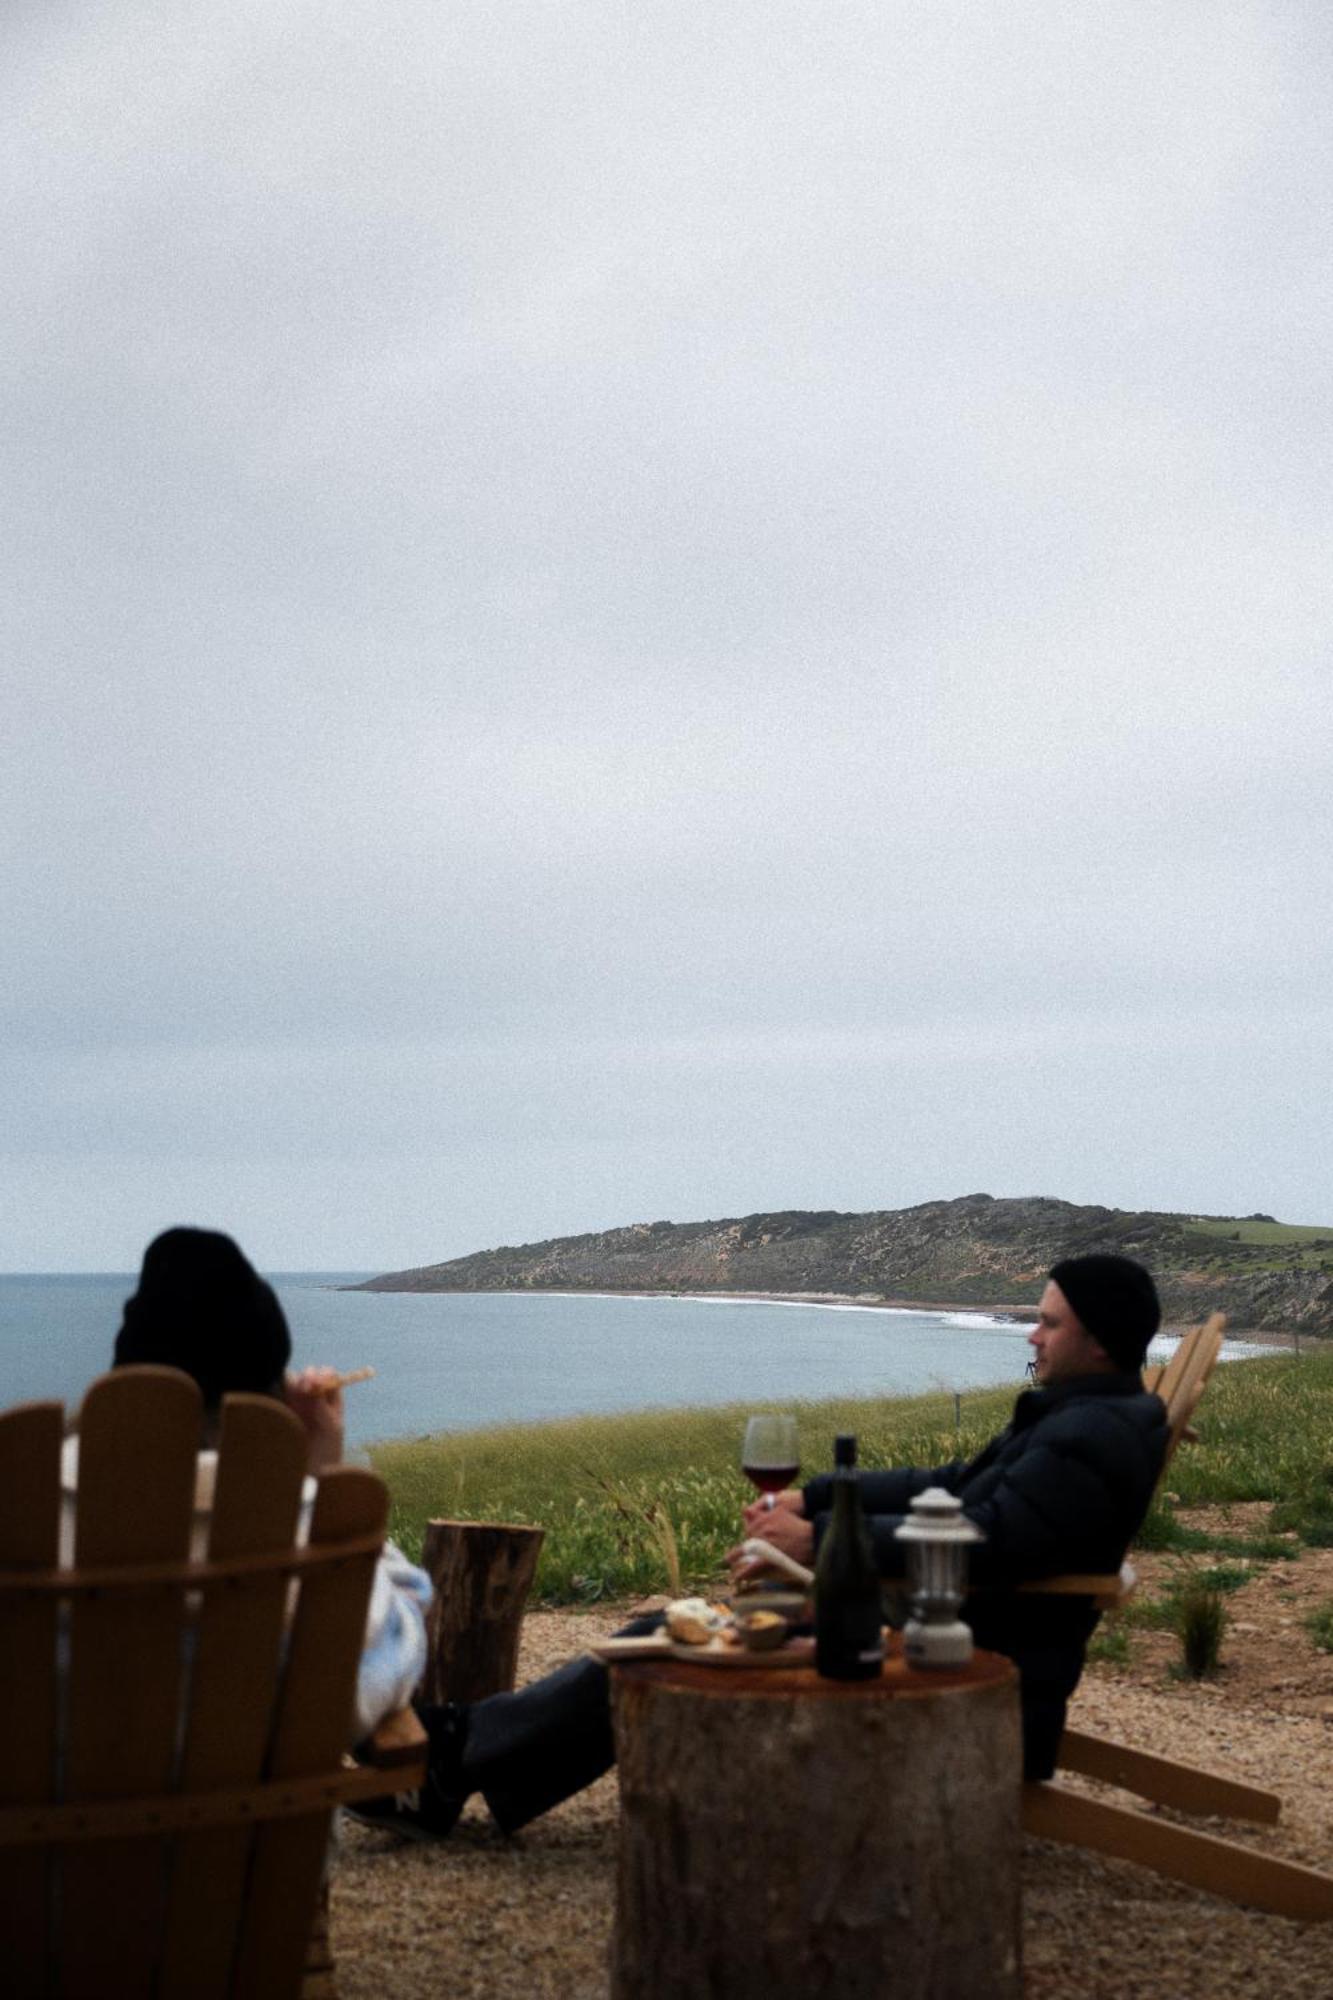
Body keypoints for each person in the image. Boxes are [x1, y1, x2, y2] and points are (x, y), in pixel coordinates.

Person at [355, 1252, 1169, 1839]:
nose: (1030, 1335)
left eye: (1047, 1323)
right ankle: (459, 1758)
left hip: (949, 1658)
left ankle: (450, 1763)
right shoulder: (1082, 1417)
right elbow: (954, 1485)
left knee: (658, 1642)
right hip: (933, 1625)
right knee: (667, 1627)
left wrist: (821, 1543)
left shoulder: (1085, 1434)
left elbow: (990, 1545)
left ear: (1096, 1341)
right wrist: (821, 1497)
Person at [62, 1227, 431, 1741]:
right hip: (248, 1820)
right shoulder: (293, 1524)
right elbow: (373, 1677)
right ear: (268, 1397)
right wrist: (323, 1483)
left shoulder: (29, 1508)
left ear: (125, 1378)